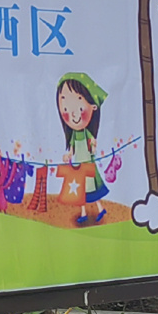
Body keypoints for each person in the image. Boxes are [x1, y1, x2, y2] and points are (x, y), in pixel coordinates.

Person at [56, 71, 109, 225]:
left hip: (88, 167)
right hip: (79, 168)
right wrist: (68, 156)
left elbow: (92, 144)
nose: (73, 114)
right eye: (66, 109)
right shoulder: (74, 135)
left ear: (93, 106)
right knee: (81, 193)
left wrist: (93, 147)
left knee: (93, 191)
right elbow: (71, 150)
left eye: (80, 106)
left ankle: (100, 209)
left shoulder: (86, 133)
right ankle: (85, 213)